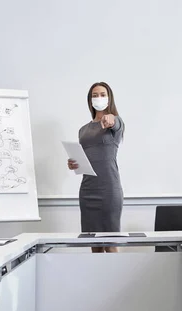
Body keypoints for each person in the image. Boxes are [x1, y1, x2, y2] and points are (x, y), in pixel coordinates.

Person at [67, 82, 125, 253]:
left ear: (109, 98)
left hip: (109, 190)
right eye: (94, 95)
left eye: (102, 94)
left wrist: (111, 119)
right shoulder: (82, 130)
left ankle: (116, 280)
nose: (98, 98)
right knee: (95, 245)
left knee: (111, 243)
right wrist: (73, 163)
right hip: (87, 190)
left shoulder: (116, 122)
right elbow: (85, 157)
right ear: (89, 100)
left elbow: (115, 123)